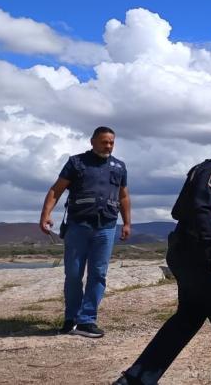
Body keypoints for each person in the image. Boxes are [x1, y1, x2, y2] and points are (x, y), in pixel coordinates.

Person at [114, 127, 211, 385]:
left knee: (194, 318)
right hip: (199, 255)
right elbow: (202, 211)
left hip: (190, 252)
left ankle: (136, 380)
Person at [39, 126, 131, 339]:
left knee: (98, 273)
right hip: (78, 226)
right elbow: (56, 190)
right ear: (92, 141)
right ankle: (71, 318)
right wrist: (45, 215)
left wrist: (126, 223)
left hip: (106, 226)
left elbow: (123, 196)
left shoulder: (119, 167)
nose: (108, 146)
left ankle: (87, 320)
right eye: (104, 142)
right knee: (73, 274)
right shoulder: (76, 163)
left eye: (111, 142)